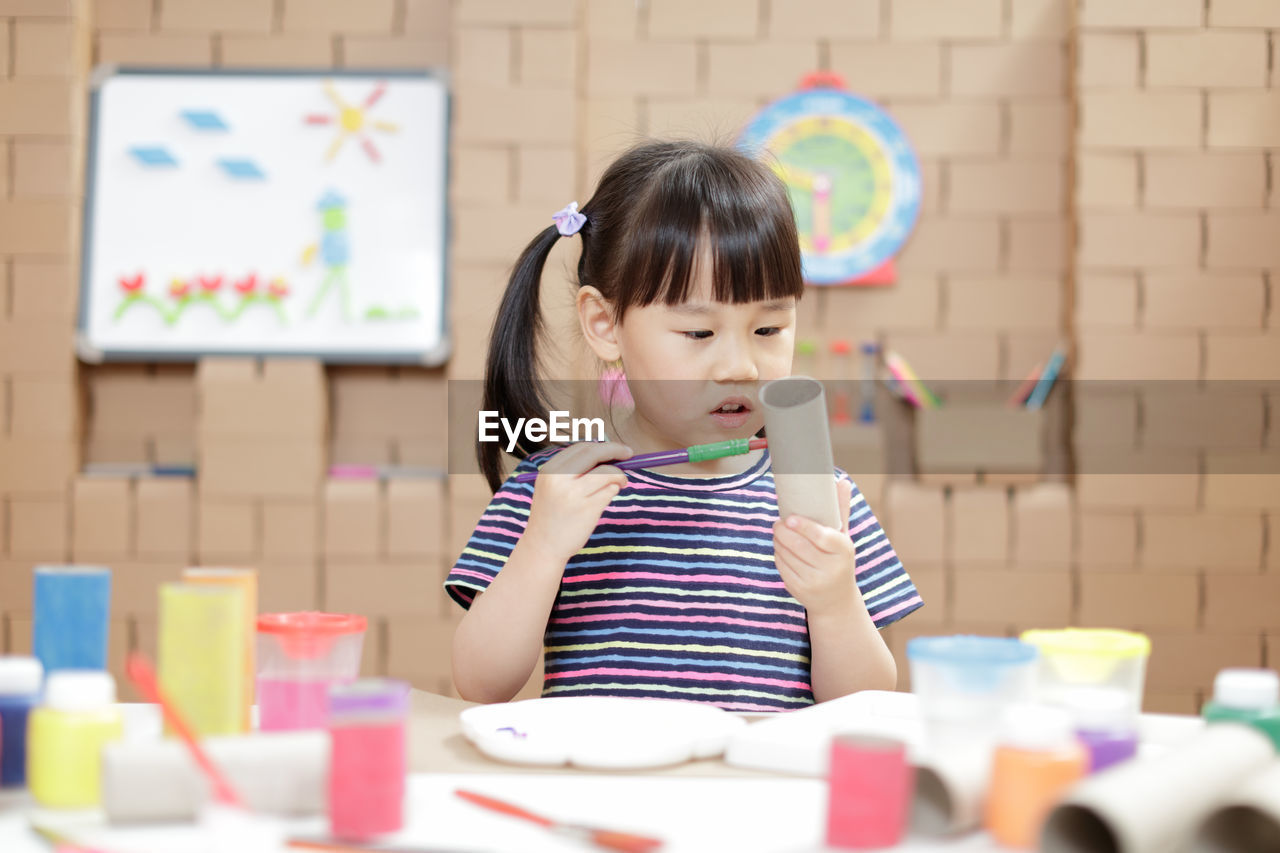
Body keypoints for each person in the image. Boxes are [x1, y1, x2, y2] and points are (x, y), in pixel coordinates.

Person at [446, 140, 922, 711]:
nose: (741, 366)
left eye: (768, 329)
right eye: (699, 334)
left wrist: (833, 601)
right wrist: (543, 547)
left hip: (758, 796)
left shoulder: (819, 495)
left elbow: (867, 704)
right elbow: (480, 685)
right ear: (604, 324)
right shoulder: (553, 492)